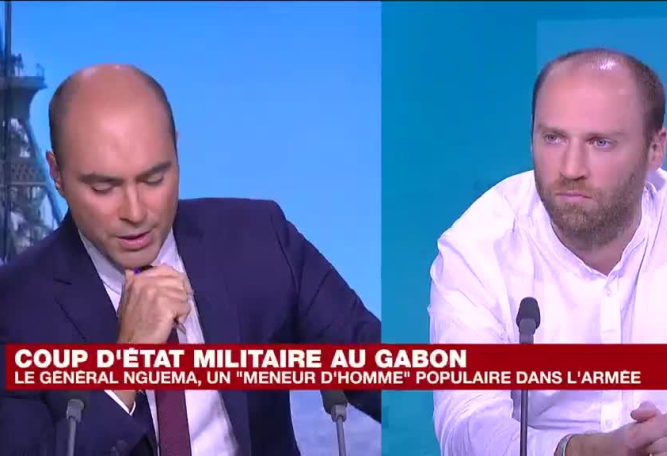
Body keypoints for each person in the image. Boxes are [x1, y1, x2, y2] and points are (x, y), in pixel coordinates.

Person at [0, 64, 381, 455]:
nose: (135, 212)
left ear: (176, 152)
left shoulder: (260, 238)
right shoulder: (14, 305)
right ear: (57, 174)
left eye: (154, 179)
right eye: (103, 187)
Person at [428, 48, 667, 456]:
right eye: (553, 138)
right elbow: (466, 420)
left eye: (601, 142)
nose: (571, 168)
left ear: (655, 149)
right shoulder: (479, 245)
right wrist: (581, 451)